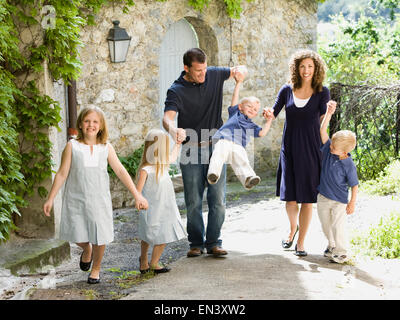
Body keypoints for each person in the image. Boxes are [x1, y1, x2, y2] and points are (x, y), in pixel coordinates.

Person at [43, 106, 148, 284]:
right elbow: (62, 173)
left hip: (99, 200)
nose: (90, 125)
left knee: (100, 235)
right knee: (76, 233)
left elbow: (121, 172)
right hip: (76, 198)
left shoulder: (105, 147)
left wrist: (137, 195)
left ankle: (96, 269)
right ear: (81, 124)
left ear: (100, 126)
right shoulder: (72, 146)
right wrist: (51, 198)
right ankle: (87, 250)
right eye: (87, 121)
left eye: (95, 122)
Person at [162, 47, 245, 258]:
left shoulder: (214, 74)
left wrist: (240, 73)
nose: (203, 74)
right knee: (193, 200)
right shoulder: (176, 90)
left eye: (205, 69)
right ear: (186, 68)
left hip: (216, 147)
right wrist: (173, 130)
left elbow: (238, 70)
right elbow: (167, 118)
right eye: (198, 71)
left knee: (218, 199)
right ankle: (196, 243)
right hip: (190, 150)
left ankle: (214, 242)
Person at [264, 49, 335, 256]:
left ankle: (301, 242)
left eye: (310, 66)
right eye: (302, 66)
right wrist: (268, 113)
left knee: (307, 198)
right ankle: (292, 228)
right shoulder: (287, 90)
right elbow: (274, 112)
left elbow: (323, 123)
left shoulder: (323, 92)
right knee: (290, 198)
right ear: (296, 68)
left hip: (312, 148)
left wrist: (329, 114)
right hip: (290, 148)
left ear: (316, 69)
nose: (306, 70)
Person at [207, 70, 272, 190]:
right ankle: (213, 173)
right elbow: (235, 98)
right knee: (219, 153)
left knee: (241, 158)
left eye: (255, 109)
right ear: (240, 107)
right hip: (224, 139)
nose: (253, 110)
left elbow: (262, 133)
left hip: (237, 144)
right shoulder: (235, 113)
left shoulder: (251, 125)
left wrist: (269, 120)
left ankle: (248, 178)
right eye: (249, 106)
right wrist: (238, 83)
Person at [135, 129, 187, 274]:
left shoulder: (164, 164)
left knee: (164, 233)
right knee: (147, 234)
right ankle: (143, 259)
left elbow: (174, 156)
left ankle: (154, 262)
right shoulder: (146, 169)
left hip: (166, 207)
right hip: (150, 207)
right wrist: (138, 199)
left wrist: (178, 144)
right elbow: (138, 190)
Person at [318, 102, 359, 264]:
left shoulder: (348, 164)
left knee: (338, 226)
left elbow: (354, 185)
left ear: (344, 152)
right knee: (325, 225)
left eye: (334, 147)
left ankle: (341, 252)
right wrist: (329, 113)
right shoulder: (329, 151)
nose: (330, 147)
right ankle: (331, 246)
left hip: (339, 201)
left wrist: (352, 203)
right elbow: (322, 130)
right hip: (323, 197)